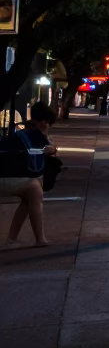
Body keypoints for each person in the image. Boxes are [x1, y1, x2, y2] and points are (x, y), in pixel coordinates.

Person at [1, 101, 55, 248]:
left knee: (28, 199)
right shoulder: (35, 135)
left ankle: (11, 240)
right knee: (35, 189)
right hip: (5, 179)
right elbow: (49, 150)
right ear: (44, 122)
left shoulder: (21, 132)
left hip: (7, 177)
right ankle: (40, 239)